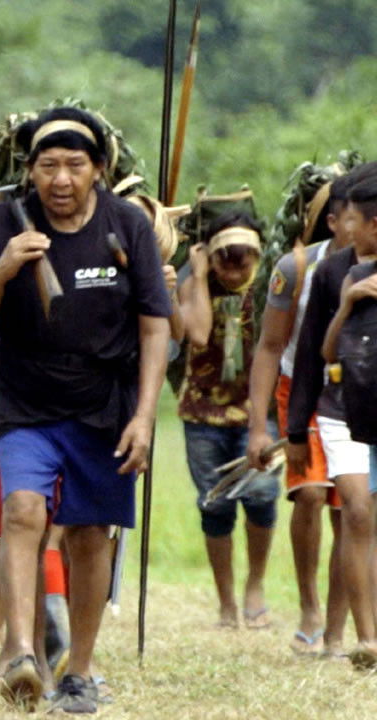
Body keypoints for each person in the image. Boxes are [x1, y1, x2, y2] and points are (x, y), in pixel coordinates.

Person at [0, 107, 170, 713]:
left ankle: (81, 669)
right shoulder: (2, 224)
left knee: (92, 534)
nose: (62, 179)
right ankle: (22, 652)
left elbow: (155, 326)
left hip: (105, 405)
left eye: (75, 165)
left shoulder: (127, 225)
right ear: (30, 171)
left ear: (98, 169)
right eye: (48, 166)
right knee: (22, 511)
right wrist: (1, 272)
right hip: (26, 401)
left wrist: (145, 416)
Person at [246, 175, 352, 656]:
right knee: (309, 494)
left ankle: (337, 628)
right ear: (332, 221)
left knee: (351, 509)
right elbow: (270, 346)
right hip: (301, 388)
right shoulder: (296, 268)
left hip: (359, 394)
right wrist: (257, 427)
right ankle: (310, 607)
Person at [287, 166, 377, 669]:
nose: (343, 227)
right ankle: (366, 639)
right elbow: (311, 355)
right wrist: (295, 428)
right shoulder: (330, 272)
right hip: (341, 408)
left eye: (350, 219)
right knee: (356, 511)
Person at [177, 213, 279, 629]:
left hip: (257, 413)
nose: (234, 271)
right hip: (203, 413)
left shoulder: (269, 286)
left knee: (261, 496)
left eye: (243, 261)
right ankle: (225, 602)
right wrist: (200, 276)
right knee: (215, 504)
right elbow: (198, 334)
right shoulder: (195, 284)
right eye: (225, 261)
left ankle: (255, 586)